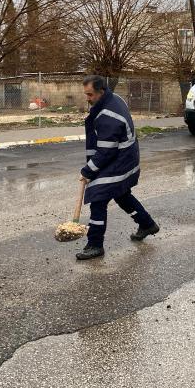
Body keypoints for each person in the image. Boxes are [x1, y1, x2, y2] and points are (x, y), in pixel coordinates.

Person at [75, 75, 160, 260]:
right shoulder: (114, 98)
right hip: (125, 155)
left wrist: (88, 171)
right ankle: (147, 224)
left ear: (101, 91)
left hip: (120, 160)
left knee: (98, 197)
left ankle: (95, 245)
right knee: (121, 194)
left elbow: (106, 151)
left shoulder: (108, 116)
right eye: (86, 94)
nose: (87, 98)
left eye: (90, 95)